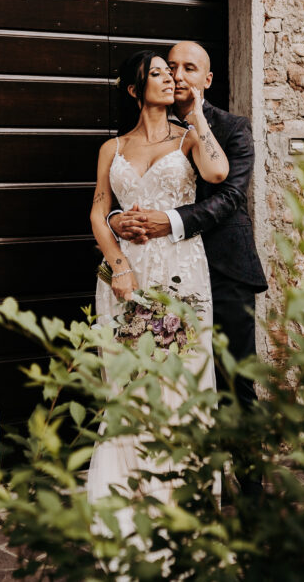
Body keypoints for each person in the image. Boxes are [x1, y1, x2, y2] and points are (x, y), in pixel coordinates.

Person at [87, 49, 229, 534]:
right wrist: (119, 265)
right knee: (130, 380)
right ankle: (132, 489)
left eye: (172, 74)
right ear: (134, 88)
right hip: (128, 277)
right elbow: (97, 212)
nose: (169, 79)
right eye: (157, 74)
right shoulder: (113, 148)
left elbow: (216, 175)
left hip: (181, 269)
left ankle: (180, 490)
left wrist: (196, 115)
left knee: (182, 373)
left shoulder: (190, 138)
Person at [109, 41, 267, 422]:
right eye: (171, 67)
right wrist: (118, 218)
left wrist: (170, 220)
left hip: (225, 268)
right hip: (160, 272)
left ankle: (245, 479)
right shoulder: (138, 127)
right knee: (169, 376)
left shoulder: (232, 128)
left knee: (233, 376)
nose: (178, 76)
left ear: (207, 79)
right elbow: (124, 188)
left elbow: (229, 196)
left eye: (189, 68)